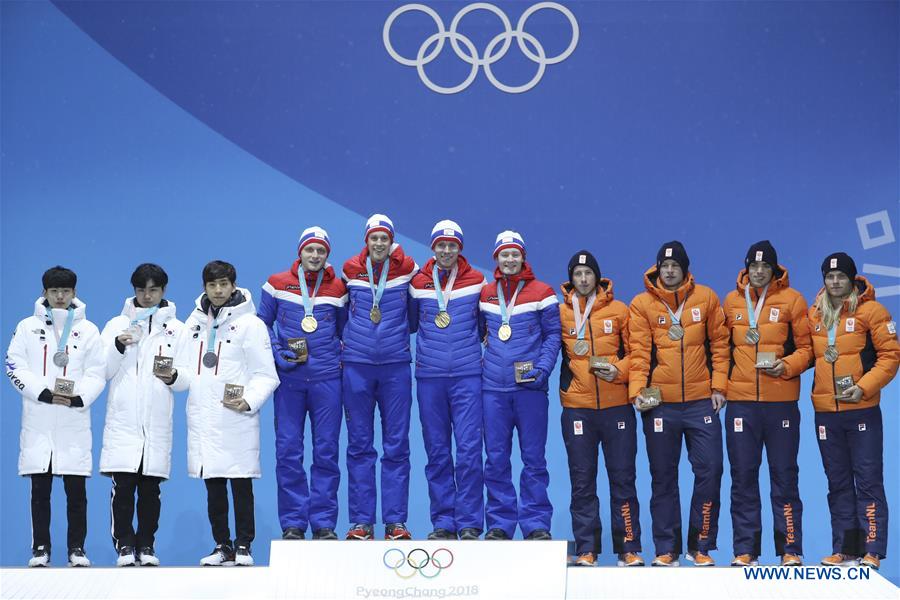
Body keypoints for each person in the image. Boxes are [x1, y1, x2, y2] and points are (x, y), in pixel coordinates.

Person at [166, 260, 279, 566]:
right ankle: (222, 545)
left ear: (233, 285)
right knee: (213, 486)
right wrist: (174, 378)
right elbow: (187, 373)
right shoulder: (192, 324)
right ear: (204, 287)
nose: (217, 290)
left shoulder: (251, 325)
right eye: (212, 285)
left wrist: (249, 401)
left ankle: (244, 545)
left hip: (236, 417)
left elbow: (267, 374)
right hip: (203, 418)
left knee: (241, 484)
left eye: (223, 284)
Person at [628, 241, 729, 567]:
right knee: (663, 477)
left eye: (675, 266)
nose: (669, 271)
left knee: (711, 470)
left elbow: (721, 346)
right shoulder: (642, 304)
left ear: (685, 269)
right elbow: (640, 353)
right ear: (658, 269)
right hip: (661, 405)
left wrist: (719, 387)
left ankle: (701, 545)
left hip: (701, 402)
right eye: (664, 266)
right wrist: (636, 392)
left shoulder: (707, 298)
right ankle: (666, 548)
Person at [5, 266, 106, 567]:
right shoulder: (26, 327)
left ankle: (77, 549)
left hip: (74, 418)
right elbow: (13, 364)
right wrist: (43, 393)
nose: (60, 297)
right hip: (39, 419)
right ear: (44, 293)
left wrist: (79, 397)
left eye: (65, 291)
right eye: (54, 291)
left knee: (77, 493)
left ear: (74, 293)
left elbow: (97, 371)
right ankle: (40, 549)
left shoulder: (88, 330)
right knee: (40, 491)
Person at [721, 241, 812, 567]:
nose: (759, 272)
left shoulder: (793, 300)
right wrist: (720, 388)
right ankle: (745, 550)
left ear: (775, 270)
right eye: (754, 267)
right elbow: (720, 349)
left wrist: (786, 366)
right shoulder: (731, 301)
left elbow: (808, 349)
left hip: (781, 403)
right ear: (747, 268)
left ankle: (790, 549)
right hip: (741, 404)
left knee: (784, 476)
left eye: (765, 267)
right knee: (743, 476)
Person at [808, 252, 899, 570]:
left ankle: (872, 550)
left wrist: (865, 386)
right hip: (825, 413)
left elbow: (890, 356)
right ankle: (845, 548)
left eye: (840, 277)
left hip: (861, 410)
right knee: (838, 482)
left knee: (869, 480)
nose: (834, 282)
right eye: (829, 277)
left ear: (852, 279)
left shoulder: (872, 311)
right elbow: (808, 354)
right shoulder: (815, 314)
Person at [258, 226, 347, 541]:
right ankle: (294, 522)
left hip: (327, 382)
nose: (315, 255)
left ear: (327, 255)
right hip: (290, 382)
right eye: (310, 249)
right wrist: (279, 356)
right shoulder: (276, 284)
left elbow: (344, 330)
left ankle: (324, 523)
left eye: (321, 251)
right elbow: (261, 326)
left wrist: (337, 358)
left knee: (326, 452)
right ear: (300, 252)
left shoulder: (338, 287)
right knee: (288, 451)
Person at [559, 251, 643, 567]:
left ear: (598, 276)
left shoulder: (619, 311)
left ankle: (629, 547)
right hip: (578, 409)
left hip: (616, 408)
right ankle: (586, 549)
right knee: (582, 481)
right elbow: (543, 344)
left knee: (623, 479)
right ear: (571, 279)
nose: (583, 279)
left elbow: (637, 354)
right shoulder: (561, 313)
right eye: (577, 274)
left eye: (588, 273)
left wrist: (619, 372)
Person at [100, 263, 184, 567]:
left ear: (163, 291)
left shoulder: (178, 329)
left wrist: (174, 375)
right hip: (124, 421)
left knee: (151, 490)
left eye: (153, 290)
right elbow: (103, 370)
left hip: (156, 421)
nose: (147, 296)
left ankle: (146, 545)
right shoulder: (116, 325)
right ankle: (124, 545)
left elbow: (187, 377)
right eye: (141, 290)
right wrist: (117, 347)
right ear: (133, 291)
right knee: (122, 488)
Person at [480, 231, 561, 540]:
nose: (510, 259)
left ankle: (536, 524)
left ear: (523, 257)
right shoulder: (486, 294)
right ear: (497, 258)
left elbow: (553, 335)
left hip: (530, 390)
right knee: (496, 459)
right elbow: (478, 333)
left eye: (515, 254)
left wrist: (542, 370)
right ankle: (500, 524)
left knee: (533, 459)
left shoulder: (543, 292)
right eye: (504, 254)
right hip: (493, 391)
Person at [342, 214, 418, 540]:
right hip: (356, 367)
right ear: (366, 240)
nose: (378, 243)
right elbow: (338, 316)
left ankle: (395, 522)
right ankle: (361, 522)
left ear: (391, 240)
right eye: (373, 238)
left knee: (396, 446)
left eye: (384, 238)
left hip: (396, 367)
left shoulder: (407, 269)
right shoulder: (349, 270)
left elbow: (414, 318)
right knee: (359, 445)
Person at [409, 220, 486, 540]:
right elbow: (412, 323)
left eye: (452, 245)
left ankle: (468, 522)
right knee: (437, 452)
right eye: (441, 245)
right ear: (432, 247)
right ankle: (443, 522)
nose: (446, 250)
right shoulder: (418, 283)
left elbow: (484, 326)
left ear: (460, 248)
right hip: (430, 377)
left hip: (468, 377)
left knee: (469, 452)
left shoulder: (478, 281)